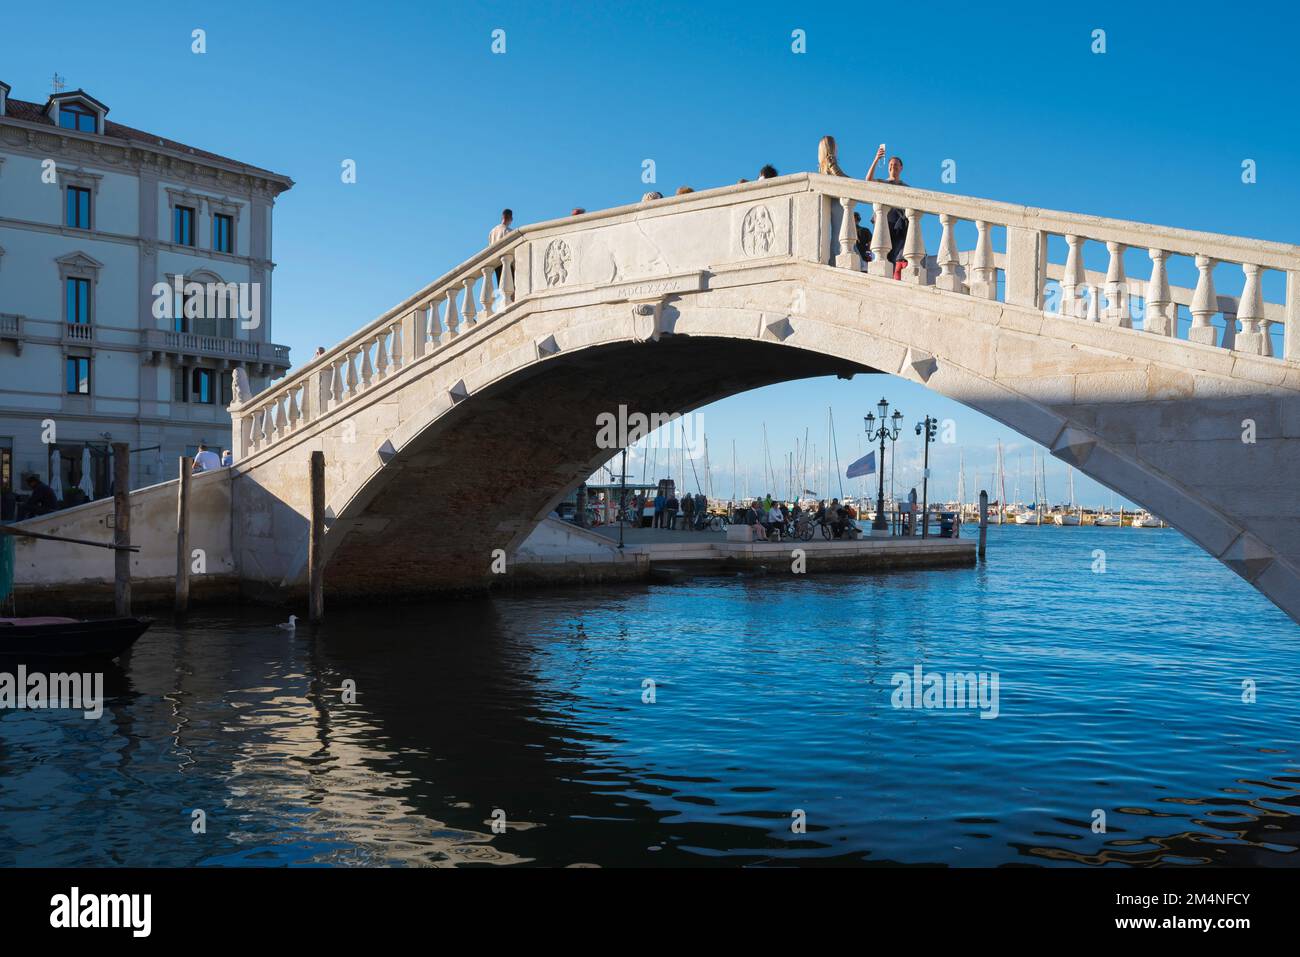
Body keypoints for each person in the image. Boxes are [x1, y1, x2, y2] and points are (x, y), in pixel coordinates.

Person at [866, 148, 910, 274]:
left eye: (896, 165)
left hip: (898, 224)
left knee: (895, 255)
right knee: (883, 254)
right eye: (891, 165)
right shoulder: (882, 182)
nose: (893, 167)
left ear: (901, 168)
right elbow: (868, 180)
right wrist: (876, 159)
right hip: (884, 223)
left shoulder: (906, 187)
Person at [489, 209, 514, 282]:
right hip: (507, 263)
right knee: (510, 287)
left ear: (502, 217)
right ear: (511, 218)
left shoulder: (492, 232)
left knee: (501, 286)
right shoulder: (509, 231)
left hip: (496, 264)